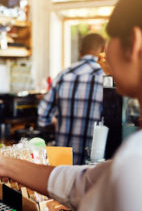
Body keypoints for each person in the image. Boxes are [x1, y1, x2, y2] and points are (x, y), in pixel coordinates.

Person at [0, 0, 142, 210]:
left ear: (133, 42)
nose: (104, 56)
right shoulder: (139, 158)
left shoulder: (141, 159)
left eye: (110, 39)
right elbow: (83, 183)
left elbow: (44, 118)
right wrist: (5, 164)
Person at [38, 33, 106, 164]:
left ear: (80, 52)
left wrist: (59, 122)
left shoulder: (63, 75)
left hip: (63, 164)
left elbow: (42, 116)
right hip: (93, 166)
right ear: (102, 50)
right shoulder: (106, 78)